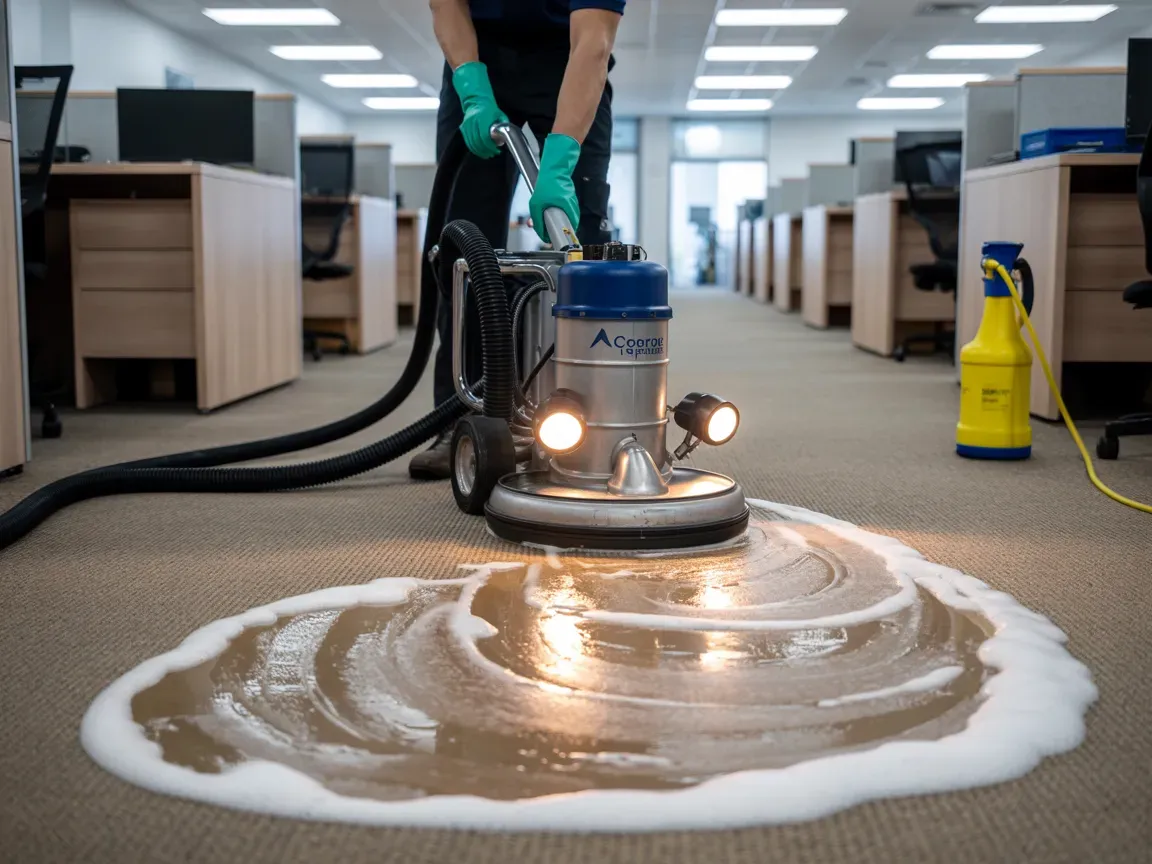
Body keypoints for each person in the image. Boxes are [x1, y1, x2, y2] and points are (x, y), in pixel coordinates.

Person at [409, 0, 625, 480]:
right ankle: (460, 419)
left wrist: (562, 159)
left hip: (570, 61)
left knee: (584, 248)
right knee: (465, 245)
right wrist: (471, 87)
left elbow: (593, 42)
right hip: (478, 61)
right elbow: (446, 7)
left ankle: (591, 416)